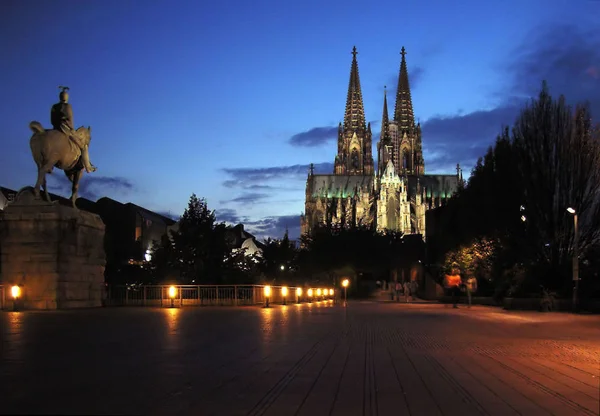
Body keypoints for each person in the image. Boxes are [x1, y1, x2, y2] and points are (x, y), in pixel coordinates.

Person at [51, 87, 96, 173]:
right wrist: (72, 129)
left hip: (55, 128)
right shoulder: (68, 106)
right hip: (66, 129)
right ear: (66, 97)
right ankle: (88, 167)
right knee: (84, 147)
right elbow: (70, 120)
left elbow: (52, 120)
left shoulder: (54, 106)